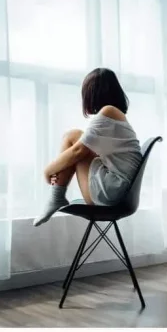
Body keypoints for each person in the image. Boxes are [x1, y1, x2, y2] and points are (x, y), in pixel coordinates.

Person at [33, 68, 142, 227]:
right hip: (118, 192)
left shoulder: (108, 112)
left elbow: (78, 151)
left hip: (112, 193)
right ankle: (56, 197)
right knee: (75, 137)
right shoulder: (115, 115)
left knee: (73, 138)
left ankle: (56, 197)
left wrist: (47, 170)